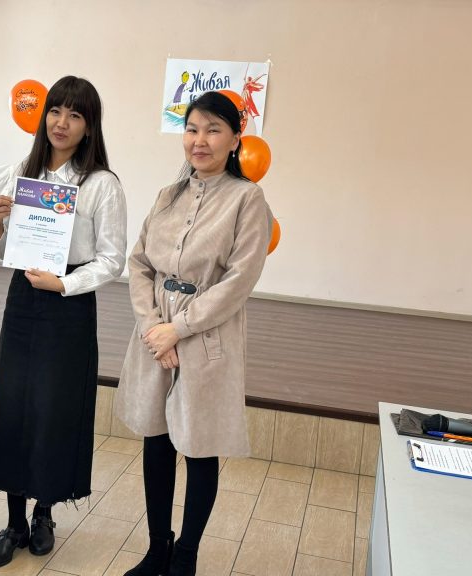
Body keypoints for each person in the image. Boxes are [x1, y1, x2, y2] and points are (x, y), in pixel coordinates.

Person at [116, 91, 272, 576]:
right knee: (156, 440)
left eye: (212, 130)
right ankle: (157, 549)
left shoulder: (247, 199)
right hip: (154, 332)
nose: (199, 140)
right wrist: (152, 327)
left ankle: (186, 556)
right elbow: (139, 263)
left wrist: (177, 330)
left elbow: (239, 280)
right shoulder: (168, 195)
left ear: (235, 140)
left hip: (207, 336)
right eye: (191, 129)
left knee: (200, 446)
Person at [0, 75, 127, 568]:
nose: (62, 123)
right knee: (14, 403)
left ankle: (44, 513)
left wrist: (64, 284)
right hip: (23, 296)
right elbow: (5, 250)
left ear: (89, 126)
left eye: (75, 115)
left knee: (54, 408)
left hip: (68, 302)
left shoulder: (101, 184)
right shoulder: (22, 173)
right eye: (55, 111)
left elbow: (112, 260)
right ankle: (14, 521)